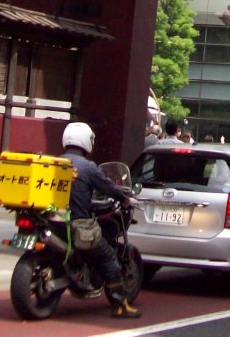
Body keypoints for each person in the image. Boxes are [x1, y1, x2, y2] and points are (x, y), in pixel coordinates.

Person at [59, 122, 142, 319]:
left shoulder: (54, 161)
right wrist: (125, 198)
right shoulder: (87, 167)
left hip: (55, 221)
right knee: (108, 257)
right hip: (78, 224)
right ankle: (119, 305)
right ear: (86, 141)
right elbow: (108, 187)